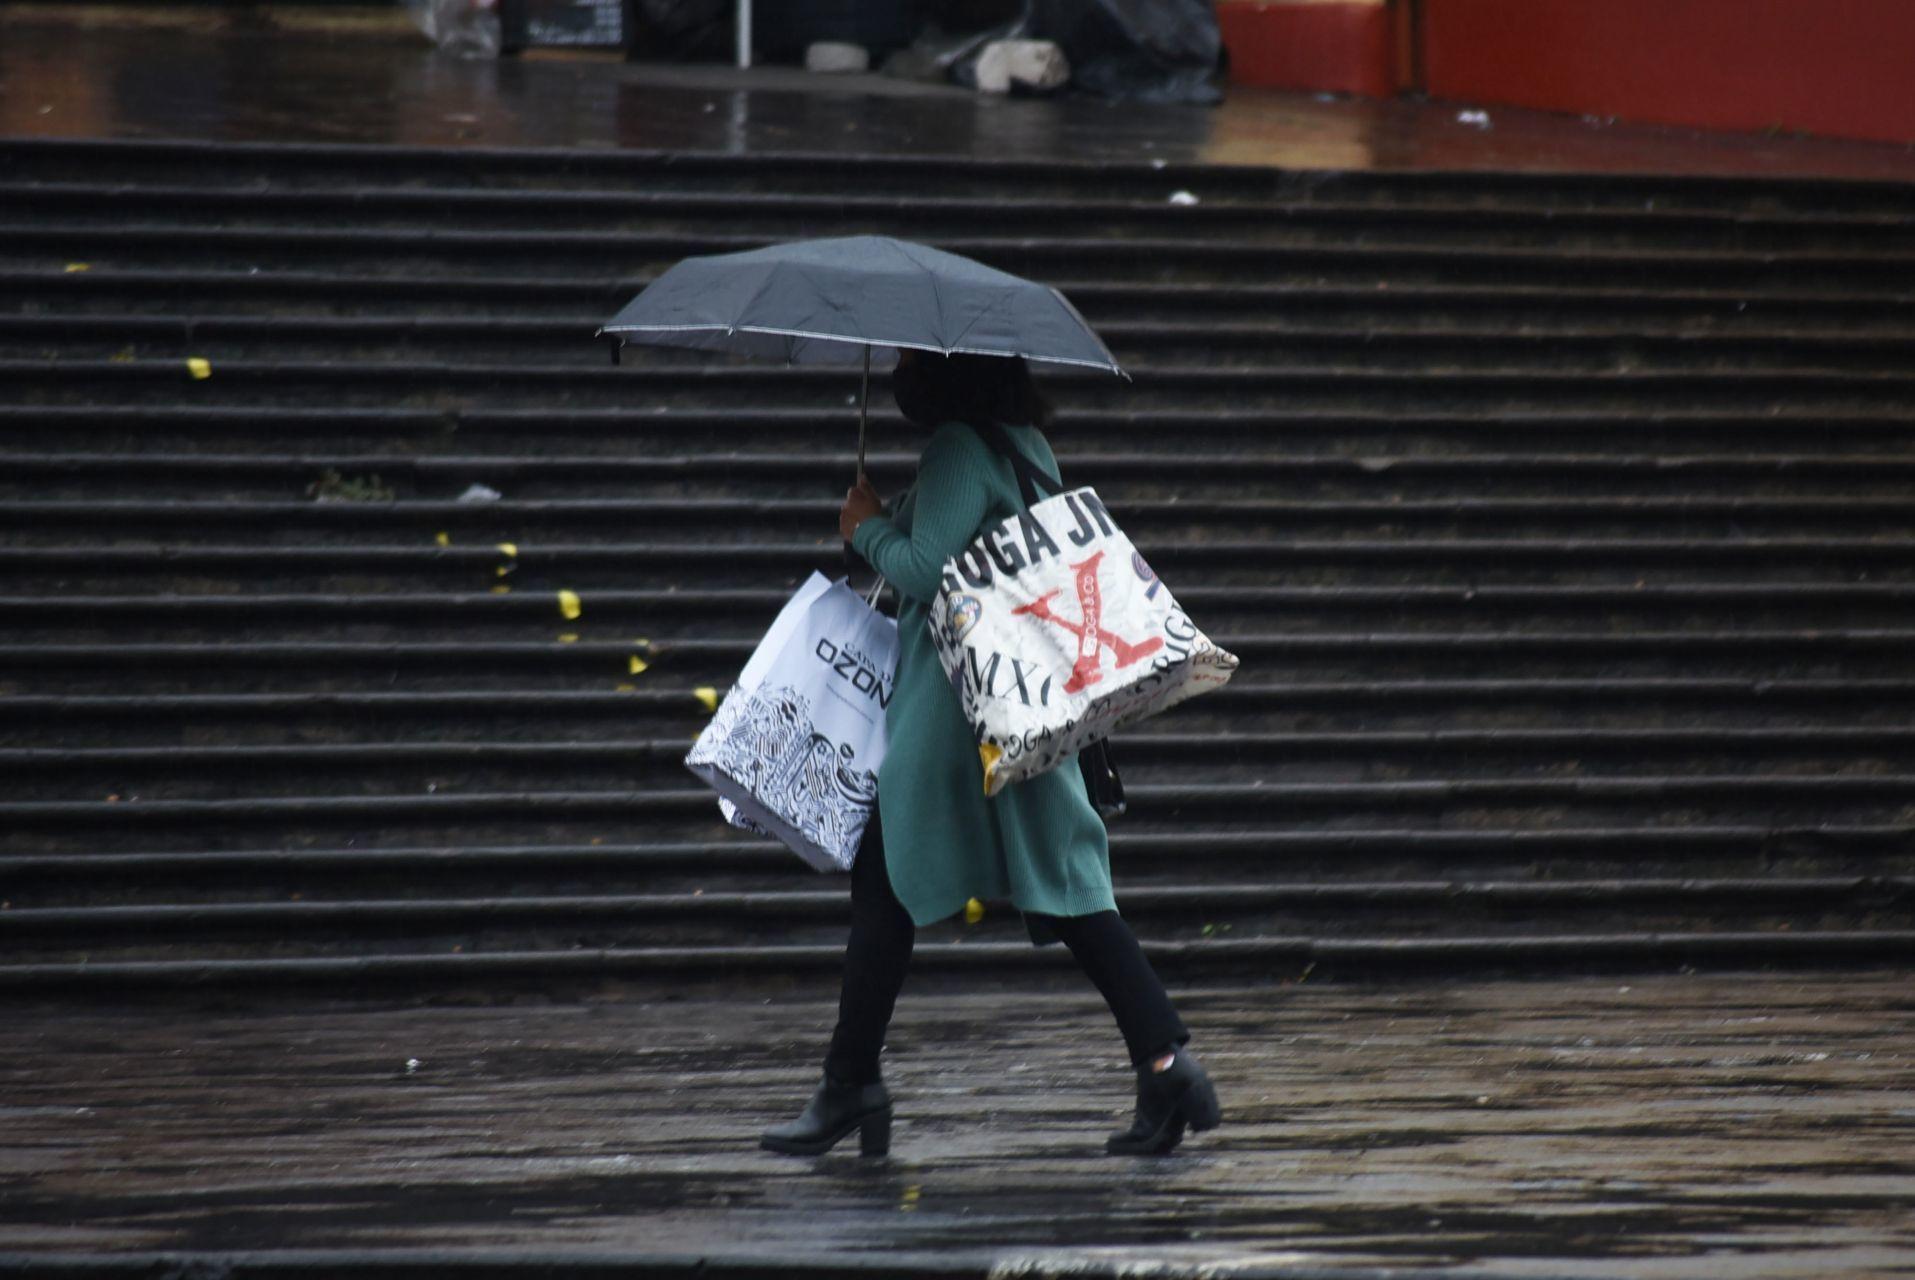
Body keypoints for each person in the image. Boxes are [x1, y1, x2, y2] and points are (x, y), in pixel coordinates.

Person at [759, 349, 1222, 1159]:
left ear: (945, 375)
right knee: (1074, 894)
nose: (901, 371)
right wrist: (884, 516)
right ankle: (1167, 1064)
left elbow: (926, 568)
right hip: (1025, 711)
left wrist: (864, 529)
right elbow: (951, 538)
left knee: (884, 886)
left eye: (910, 360)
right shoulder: (1019, 445)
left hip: (955, 721)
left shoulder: (957, 451)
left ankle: (849, 1086)